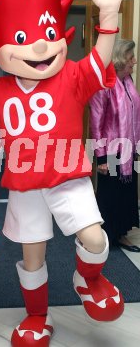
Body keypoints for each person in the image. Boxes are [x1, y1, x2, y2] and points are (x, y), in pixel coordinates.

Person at [0, 0, 128, 347]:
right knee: (32, 258)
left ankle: (88, 278)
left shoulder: (73, 77)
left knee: (94, 239)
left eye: (49, 33)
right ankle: (36, 316)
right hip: (25, 185)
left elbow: (100, 56)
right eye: (23, 37)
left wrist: (110, 16)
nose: (41, 45)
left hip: (68, 177)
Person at [89, 39, 140, 252]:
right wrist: (100, 157)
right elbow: (96, 121)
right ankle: (105, 237)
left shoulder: (128, 82)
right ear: (120, 59)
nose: (134, 62)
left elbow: (135, 117)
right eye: (131, 58)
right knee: (110, 196)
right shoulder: (104, 84)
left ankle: (120, 234)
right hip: (110, 151)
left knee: (125, 194)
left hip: (128, 150)